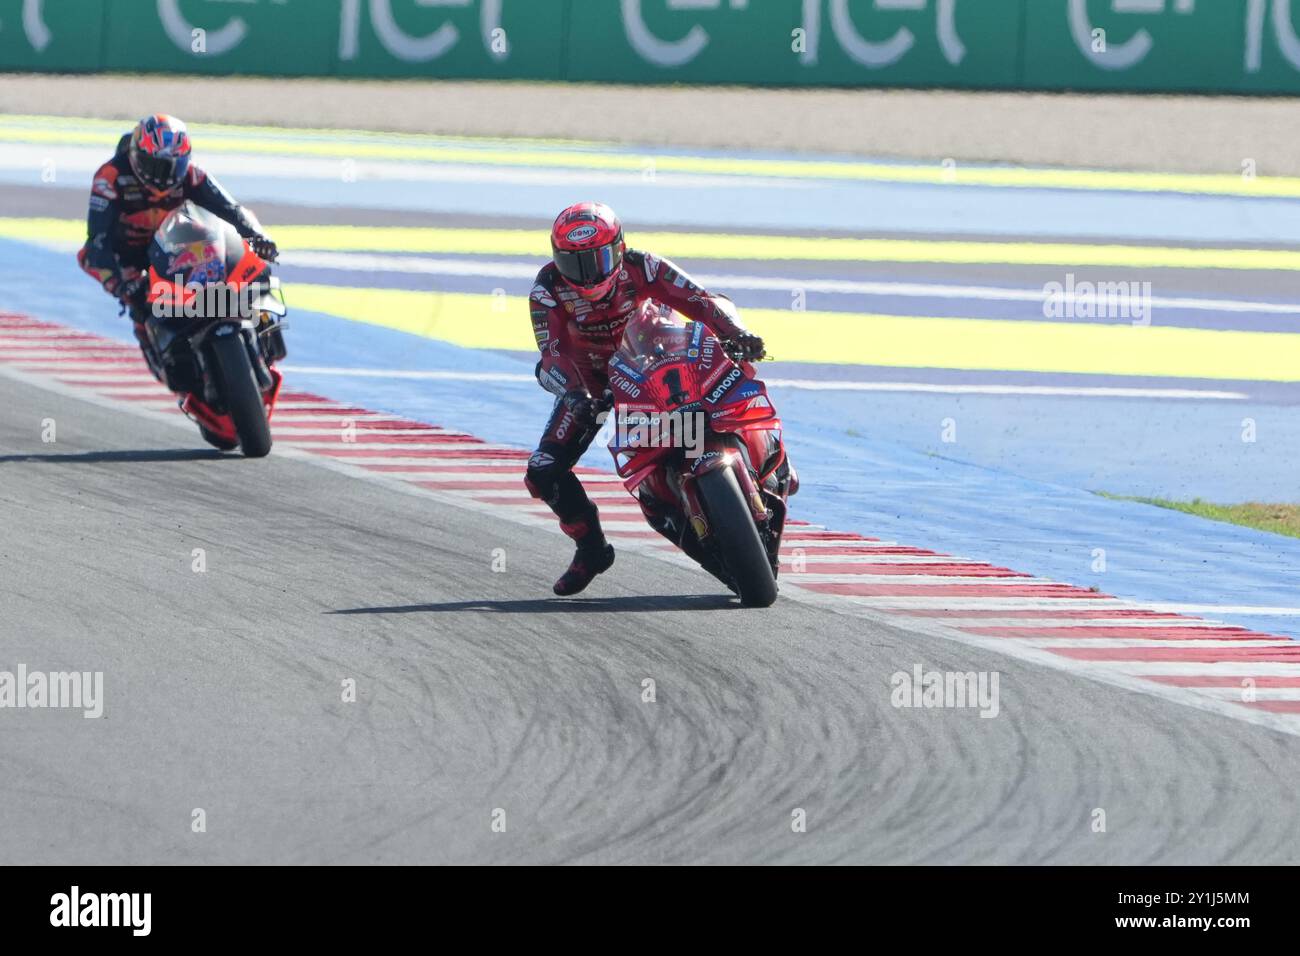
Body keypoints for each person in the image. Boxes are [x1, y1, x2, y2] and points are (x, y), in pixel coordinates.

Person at [526, 201, 766, 595]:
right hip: (594, 385)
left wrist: (736, 333)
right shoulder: (548, 289)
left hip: (659, 355)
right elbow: (551, 354)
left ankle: (764, 458)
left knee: (732, 375)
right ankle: (591, 549)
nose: (587, 274)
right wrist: (574, 394)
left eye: (597, 259)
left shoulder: (644, 266)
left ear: (619, 249)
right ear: (557, 259)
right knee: (543, 469)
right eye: (575, 264)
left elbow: (700, 300)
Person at [76, 114, 277, 390]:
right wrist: (123, 285)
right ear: (136, 155)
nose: (164, 177)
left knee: (250, 272)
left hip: (181, 248)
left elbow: (231, 210)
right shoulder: (110, 178)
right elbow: (97, 243)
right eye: (155, 166)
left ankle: (263, 331)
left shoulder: (192, 174)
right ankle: (170, 364)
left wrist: (258, 236)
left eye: (173, 167)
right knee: (142, 307)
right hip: (134, 260)